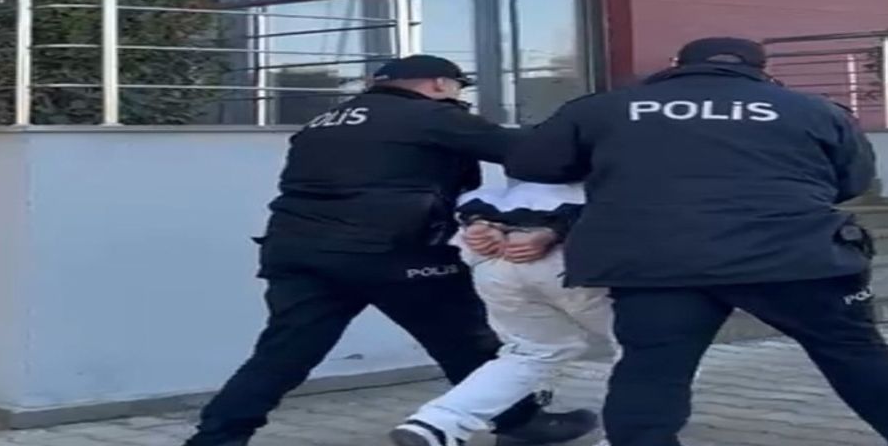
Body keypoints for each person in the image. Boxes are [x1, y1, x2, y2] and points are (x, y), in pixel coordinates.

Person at [505, 38, 888, 446]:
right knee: (852, 350)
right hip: (792, 255)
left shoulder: (604, 107)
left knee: (652, 366)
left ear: (675, 65)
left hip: (656, 259)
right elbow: (851, 181)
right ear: (762, 70)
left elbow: (532, 162)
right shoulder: (814, 110)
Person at [182, 55, 597, 446]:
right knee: (466, 340)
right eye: (458, 87)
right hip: (395, 252)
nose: (459, 95)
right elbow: (533, 152)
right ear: (439, 84)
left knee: (282, 353)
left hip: (298, 250)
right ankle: (516, 421)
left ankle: (216, 437)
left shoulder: (323, 122)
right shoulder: (430, 116)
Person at [391, 181, 611, 446]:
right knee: (643, 350)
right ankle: (629, 436)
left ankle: (435, 423)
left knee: (530, 351)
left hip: (499, 258)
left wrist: (482, 222)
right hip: (570, 257)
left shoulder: (528, 165)